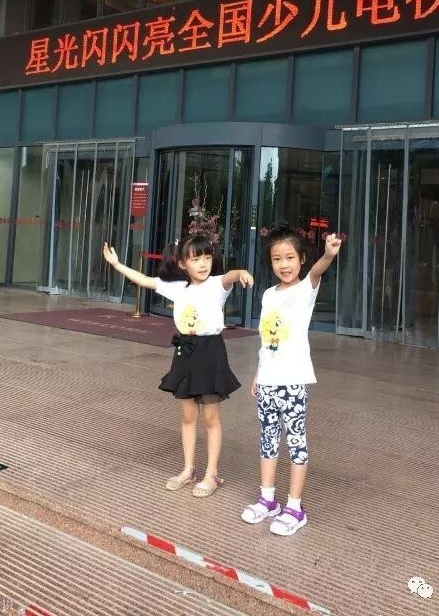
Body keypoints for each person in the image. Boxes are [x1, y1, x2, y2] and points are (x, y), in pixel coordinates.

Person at [103, 234, 253, 498]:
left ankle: (212, 474)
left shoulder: (217, 284)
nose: (203, 263)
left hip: (210, 351)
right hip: (185, 351)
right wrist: (116, 264)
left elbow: (230, 276)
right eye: (196, 259)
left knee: (211, 417)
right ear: (183, 264)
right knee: (187, 416)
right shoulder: (178, 288)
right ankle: (188, 469)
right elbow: (145, 280)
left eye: (207, 257)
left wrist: (241, 272)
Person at [241, 223, 341, 535]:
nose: (283, 265)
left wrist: (328, 254)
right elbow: (266, 341)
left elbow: (318, 271)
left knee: (296, 442)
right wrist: (258, 374)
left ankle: (295, 507)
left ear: (301, 259)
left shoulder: (305, 290)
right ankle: (267, 499)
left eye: (289, 258)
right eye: (277, 259)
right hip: (268, 382)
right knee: (268, 440)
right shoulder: (268, 295)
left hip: (293, 382)